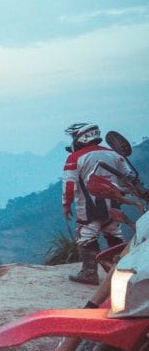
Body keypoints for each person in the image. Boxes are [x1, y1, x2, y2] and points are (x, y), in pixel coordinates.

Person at [62, 122, 133, 285]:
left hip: (89, 207)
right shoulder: (115, 155)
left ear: (81, 137)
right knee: (114, 234)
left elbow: (69, 184)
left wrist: (66, 204)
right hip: (115, 204)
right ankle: (122, 273)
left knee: (86, 236)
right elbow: (128, 178)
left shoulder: (75, 158)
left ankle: (89, 273)